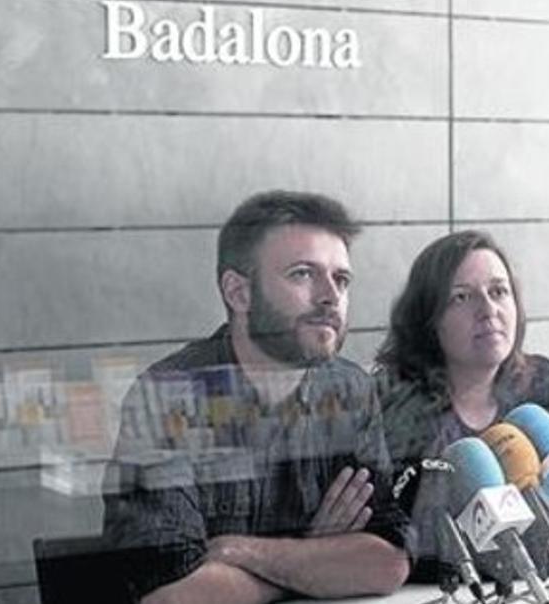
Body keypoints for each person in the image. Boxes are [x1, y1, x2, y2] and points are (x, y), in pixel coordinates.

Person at [102, 191, 410, 603]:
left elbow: (387, 563)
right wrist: (313, 564)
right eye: (303, 274)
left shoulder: (351, 389)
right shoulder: (168, 397)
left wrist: (241, 553)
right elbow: (172, 597)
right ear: (238, 293)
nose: (330, 296)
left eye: (341, 279)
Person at [375, 230, 549, 581]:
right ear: (429, 319)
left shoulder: (542, 382)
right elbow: (411, 548)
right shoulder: (396, 402)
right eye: (462, 297)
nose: (488, 310)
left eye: (499, 292)